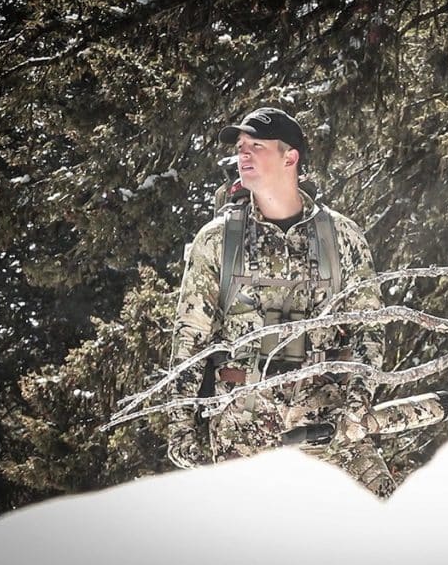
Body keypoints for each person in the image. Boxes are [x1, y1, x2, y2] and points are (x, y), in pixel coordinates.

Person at [167, 107, 396, 497]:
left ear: (290, 157)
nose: (243, 154)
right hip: (243, 426)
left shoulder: (341, 236)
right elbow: (190, 339)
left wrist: (356, 407)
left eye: (256, 146)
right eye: (240, 146)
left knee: (386, 516)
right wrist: (181, 427)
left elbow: (369, 329)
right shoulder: (217, 240)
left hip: (327, 421)